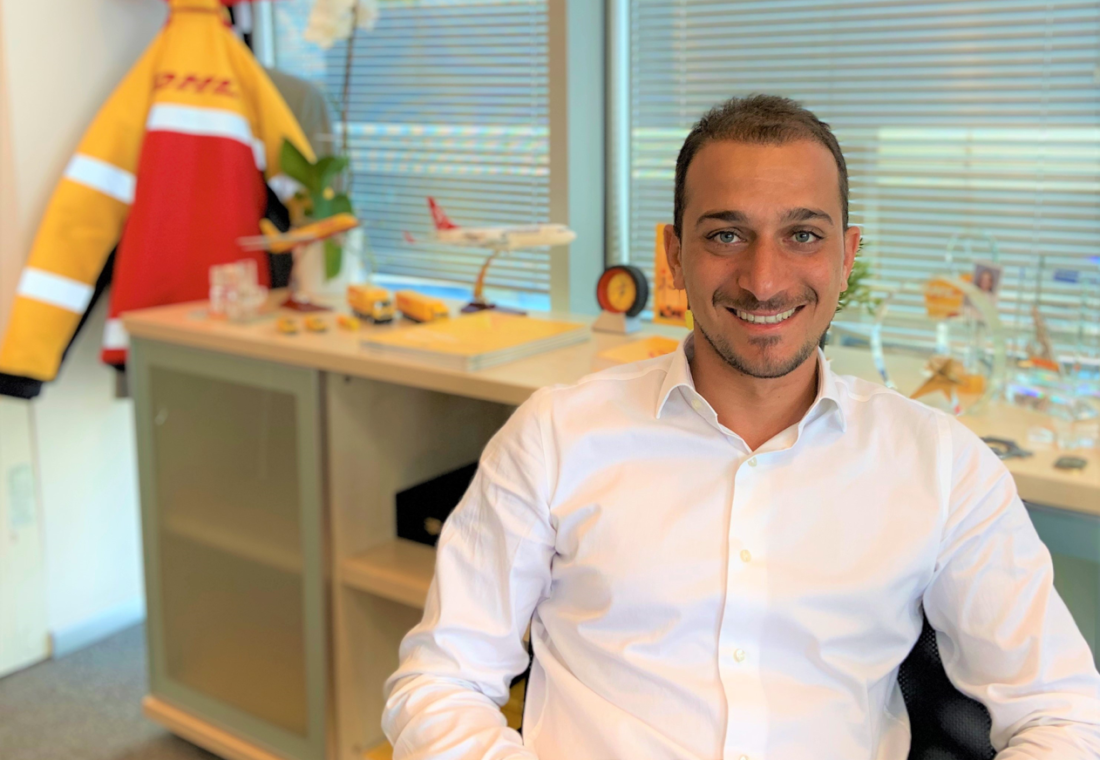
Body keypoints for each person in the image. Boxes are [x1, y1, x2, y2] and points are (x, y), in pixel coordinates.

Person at [382, 95, 1100, 759]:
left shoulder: (943, 466)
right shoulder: (555, 436)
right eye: (727, 235)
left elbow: (1063, 712)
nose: (764, 280)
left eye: (802, 235)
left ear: (847, 256)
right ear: (674, 256)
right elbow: (441, 682)